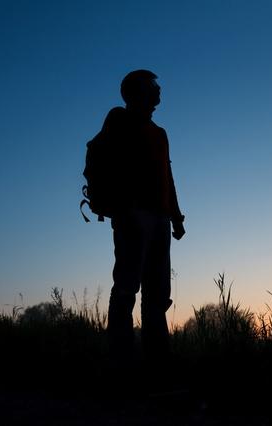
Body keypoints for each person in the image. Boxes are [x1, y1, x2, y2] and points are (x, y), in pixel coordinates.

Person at [101, 70, 185, 365]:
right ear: (137, 92)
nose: (159, 88)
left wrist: (176, 217)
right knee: (126, 288)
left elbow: (167, 176)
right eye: (153, 85)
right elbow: (108, 164)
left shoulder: (160, 133)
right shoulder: (119, 120)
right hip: (132, 217)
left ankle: (157, 358)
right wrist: (125, 209)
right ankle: (121, 359)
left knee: (158, 293)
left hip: (160, 219)